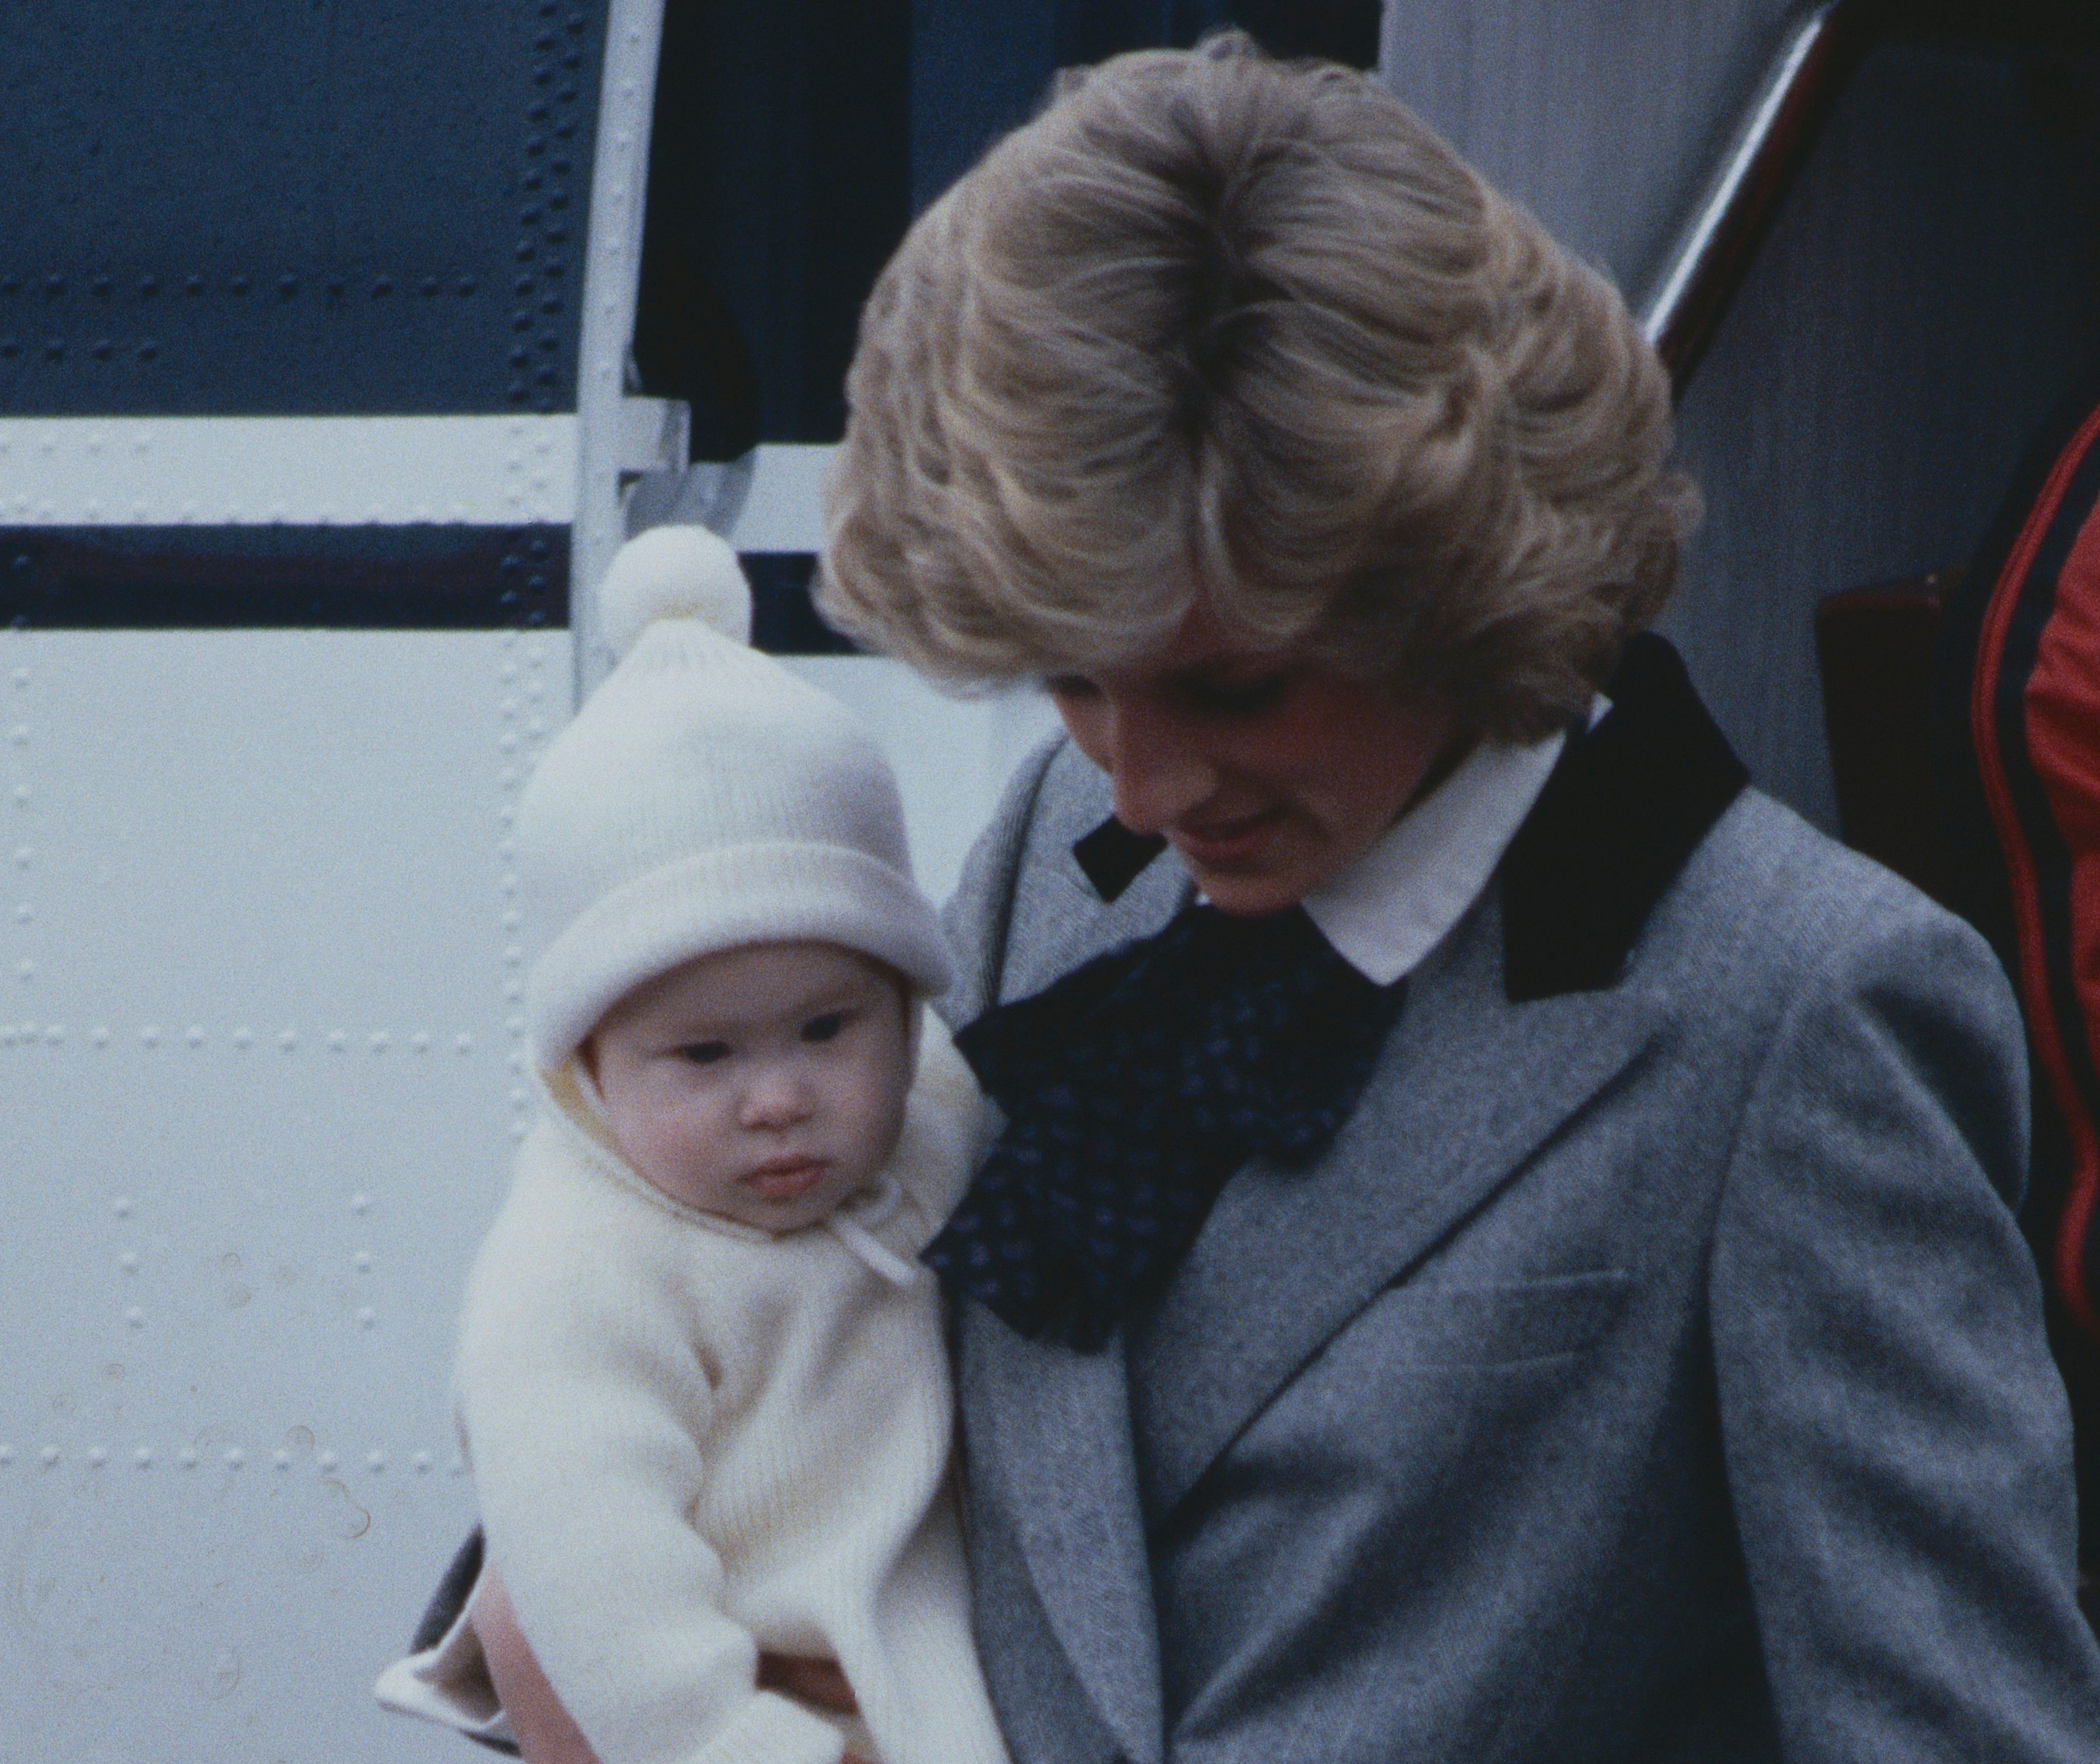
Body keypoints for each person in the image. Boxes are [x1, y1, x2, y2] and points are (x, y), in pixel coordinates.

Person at [437, 32, 2100, 1764]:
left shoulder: (1806, 999)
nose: (1146, 785)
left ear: (1455, 573)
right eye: (1075, 682)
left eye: (1236, 692)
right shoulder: (1062, 853)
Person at [374, 526, 1010, 1764]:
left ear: (906, 1004)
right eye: (703, 1057)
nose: (775, 1099)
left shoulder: (938, 1122)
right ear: (588, 1072)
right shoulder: (581, 1270)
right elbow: (595, 1580)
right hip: (759, 1716)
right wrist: (738, 1746)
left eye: (827, 1027)